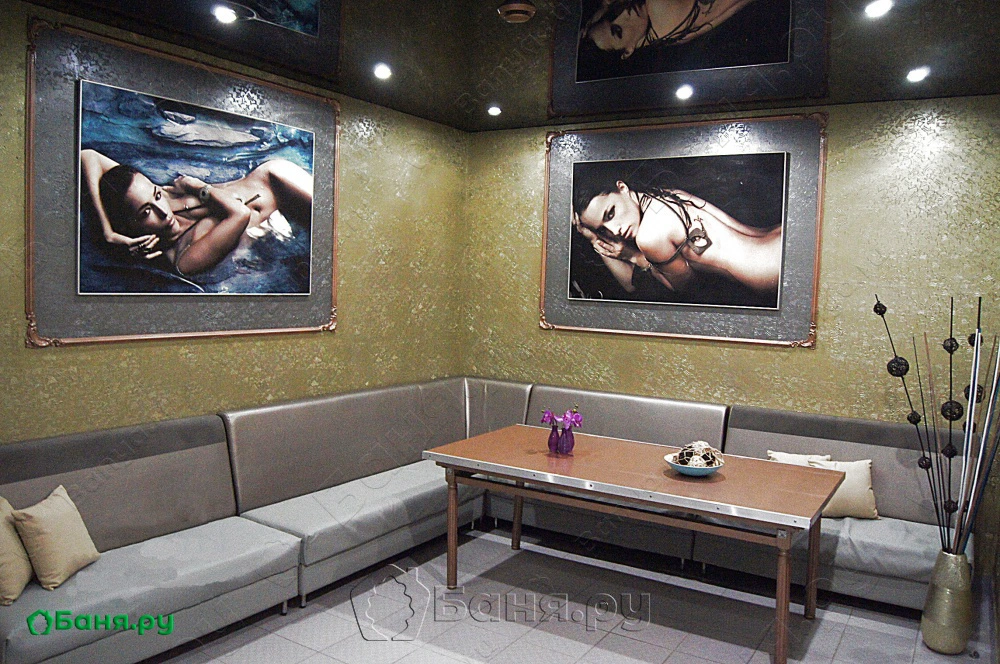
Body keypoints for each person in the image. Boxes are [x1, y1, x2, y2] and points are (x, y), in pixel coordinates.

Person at [80, 149, 312, 276]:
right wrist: (198, 187)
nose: (163, 212)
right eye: (146, 212)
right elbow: (240, 214)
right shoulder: (184, 260)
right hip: (280, 203)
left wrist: (107, 231)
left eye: (157, 194)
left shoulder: (141, 191)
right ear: (129, 224)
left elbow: (87, 155)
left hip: (273, 176)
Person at [572, 176, 782, 298]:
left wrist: (633, 256)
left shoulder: (649, 235)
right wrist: (593, 236)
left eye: (610, 214)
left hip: (769, 269)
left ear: (622, 188)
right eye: (602, 229)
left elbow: (688, 292)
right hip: (777, 237)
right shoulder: (664, 194)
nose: (614, 230)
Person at [582, 0, 759, 59]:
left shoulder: (669, 37)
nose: (622, 14)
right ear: (628, 50)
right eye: (618, 30)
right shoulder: (657, 7)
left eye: (612, 15)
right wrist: (605, 5)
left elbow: (735, 7)